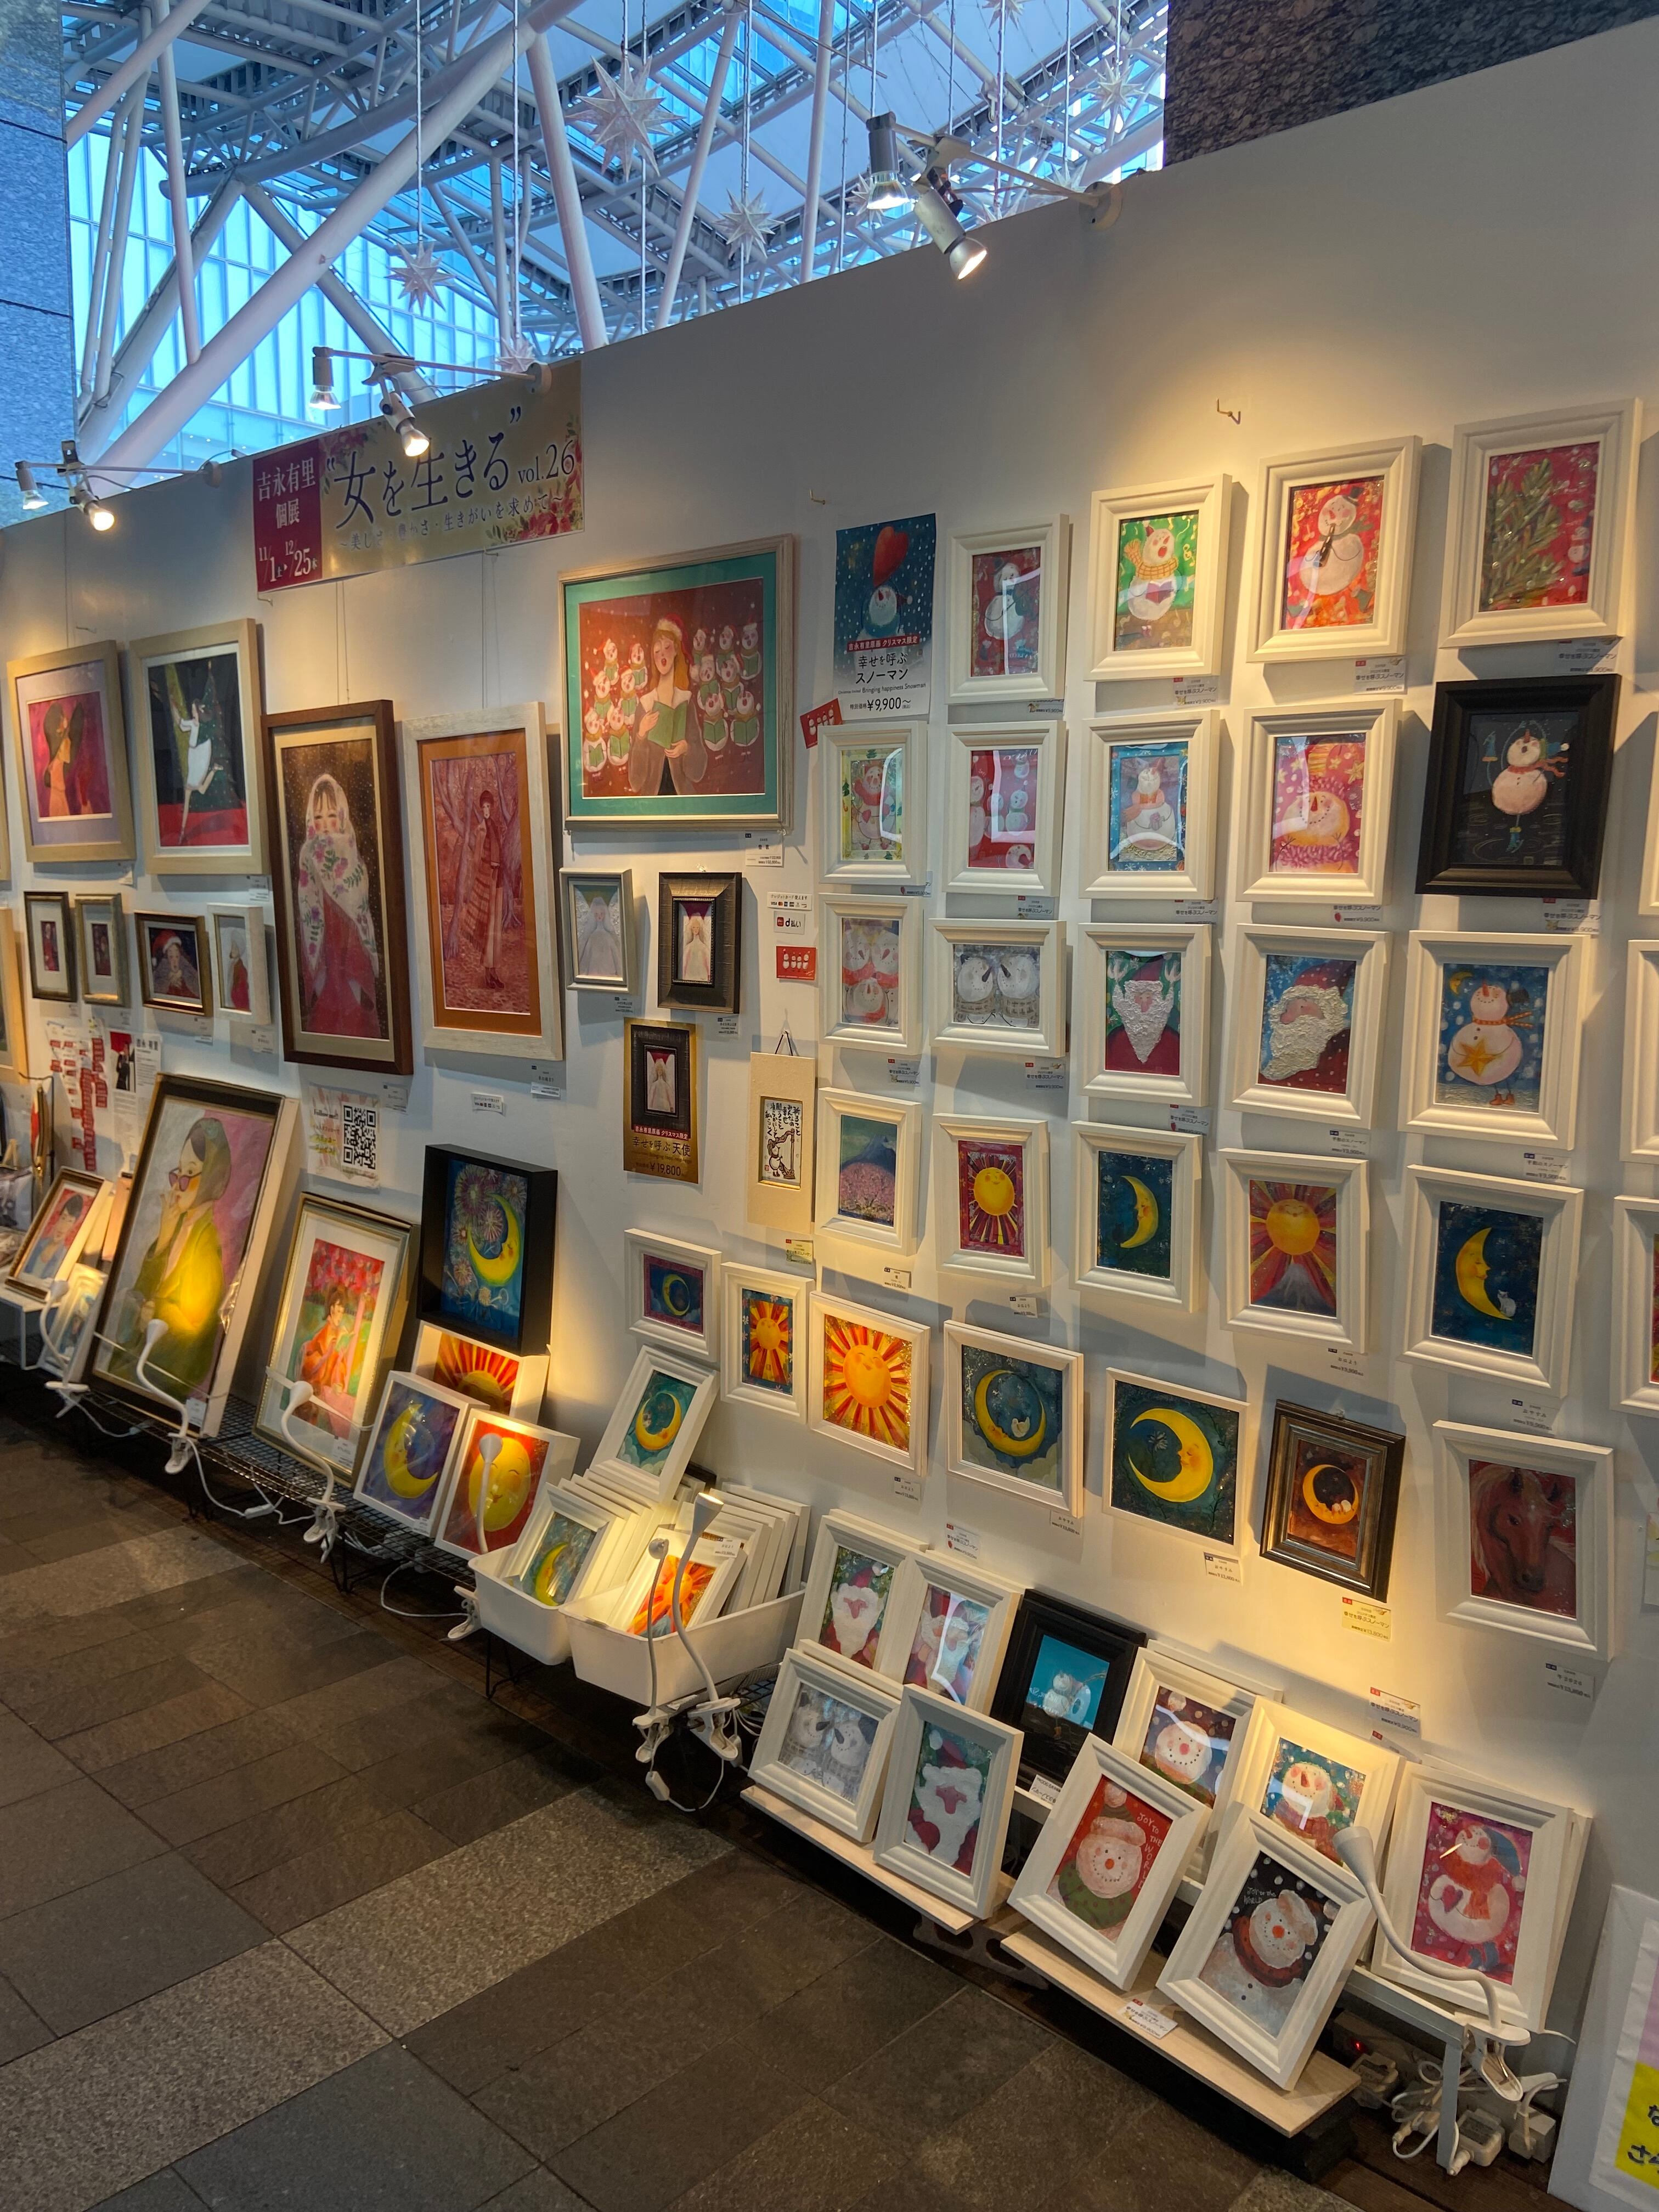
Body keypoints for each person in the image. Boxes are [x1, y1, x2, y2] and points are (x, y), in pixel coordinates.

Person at [109, 1116, 232, 1397]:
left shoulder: (206, 1245)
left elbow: (196, 1328)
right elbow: (142, 1289)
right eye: (178, 1172)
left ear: (211, 1177)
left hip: (166, 1377)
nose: (178, 1185)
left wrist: (157, 1313)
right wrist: (164, 1238)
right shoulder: (177, 1225)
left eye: (190, 1173)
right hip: (142, 1364)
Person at [296, 774, 381, 1038]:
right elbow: (308, 911)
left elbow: (360, 912)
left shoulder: (353, 860)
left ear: (342, 816)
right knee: (325, 1020)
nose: (324, 824)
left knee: (356, 1021)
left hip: (351, 958)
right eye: (318, 817)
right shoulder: (308, 856)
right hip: (325, 960)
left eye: (332, 815)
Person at [629, 616, 707, 797]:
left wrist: (687, 749)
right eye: (657, 651)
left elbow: (698, 771)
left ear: (676, 651)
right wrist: (641, 735)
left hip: (682, 800)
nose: (662, 655)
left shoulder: (686, 702)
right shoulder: (645, 705)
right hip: (652, 802)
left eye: (667, 648)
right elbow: (635, 780)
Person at [298, 1282, 354, 1397]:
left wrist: (338, 1383)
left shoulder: (339, 1334)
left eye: (343, 1312)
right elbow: (307, 1369)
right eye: (339, 1311)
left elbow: (338, 1366)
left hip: (328, 1388)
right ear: (332, 1309)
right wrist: (326, 1355)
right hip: (314, 1388)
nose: (341, 1316)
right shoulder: (323, 1334)